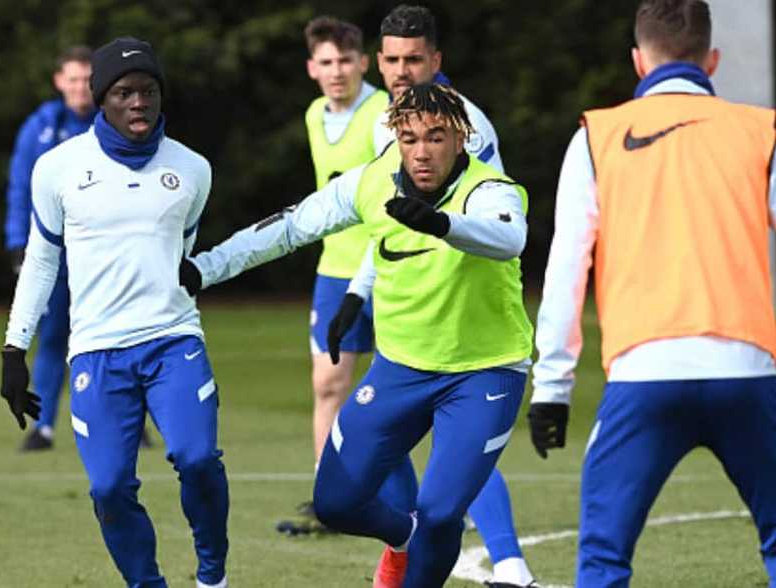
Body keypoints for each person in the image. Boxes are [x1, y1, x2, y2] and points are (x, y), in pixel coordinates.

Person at [181, 82, 533, 588]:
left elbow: (508, 238)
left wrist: (442, 225)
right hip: (400, 369)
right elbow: (289, 227)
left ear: (461, 138)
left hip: (484, 372)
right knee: (336, 504)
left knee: (439, 514)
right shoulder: (370, 182)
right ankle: (403, 537)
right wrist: (206, 268)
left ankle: (427, 551)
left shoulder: (489, 188)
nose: (421, 151)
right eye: (408, 138)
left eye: (435, 137)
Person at [529, 1, 776, 586]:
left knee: (603, 556)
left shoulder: (597, 136)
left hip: (644, 373)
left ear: (639, 62)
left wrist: (553, 386)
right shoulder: (760, 131)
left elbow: (567, 265)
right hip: (746, 368)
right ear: (711, 60)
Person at [0, 37, 229, 588]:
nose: (138, 103)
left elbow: (183, 254)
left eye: (147, 91)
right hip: (98, 352)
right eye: (124, 92)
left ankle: (212, 576)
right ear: (100, 99)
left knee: (197, 458)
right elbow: (40, 263)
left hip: (174, 341)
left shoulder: (192, 169)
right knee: (108, 488)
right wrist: (14, 349)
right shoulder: (56, 169)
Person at [333, 6, 536, 586]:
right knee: (382, 433)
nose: (402, 71)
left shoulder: (468, 125)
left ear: (436, 61)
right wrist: (358, 288)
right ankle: (405, 536)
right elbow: (394, 219)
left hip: (461, 311)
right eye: (393, 60)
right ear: (379, 61)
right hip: (403, 298)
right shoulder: (383, 121)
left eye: (414, 59)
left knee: (457, 445)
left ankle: (510, 563)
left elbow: (486, 219)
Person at [279, 14, 389, 536]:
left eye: (346, 60)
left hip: (387, 268)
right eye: (326, 62)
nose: (337, 70)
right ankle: (331, 501)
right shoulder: (313, 115)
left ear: (363, 62)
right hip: (333, 271)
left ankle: (434, 501)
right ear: (311, 68)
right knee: (328, 384)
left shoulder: (383, 113)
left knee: (406, 388)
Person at [3, 46, 96, 451]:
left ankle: (124, 419)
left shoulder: (112, 124)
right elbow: (20, 187)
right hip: (52, 253)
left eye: (85, 79)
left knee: (111, 335)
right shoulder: (39, 128)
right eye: (72, 79)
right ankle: (43, 426)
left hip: (99, 252)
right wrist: (16, 242)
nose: (79, 87)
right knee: (53, 335)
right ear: (59, 81)